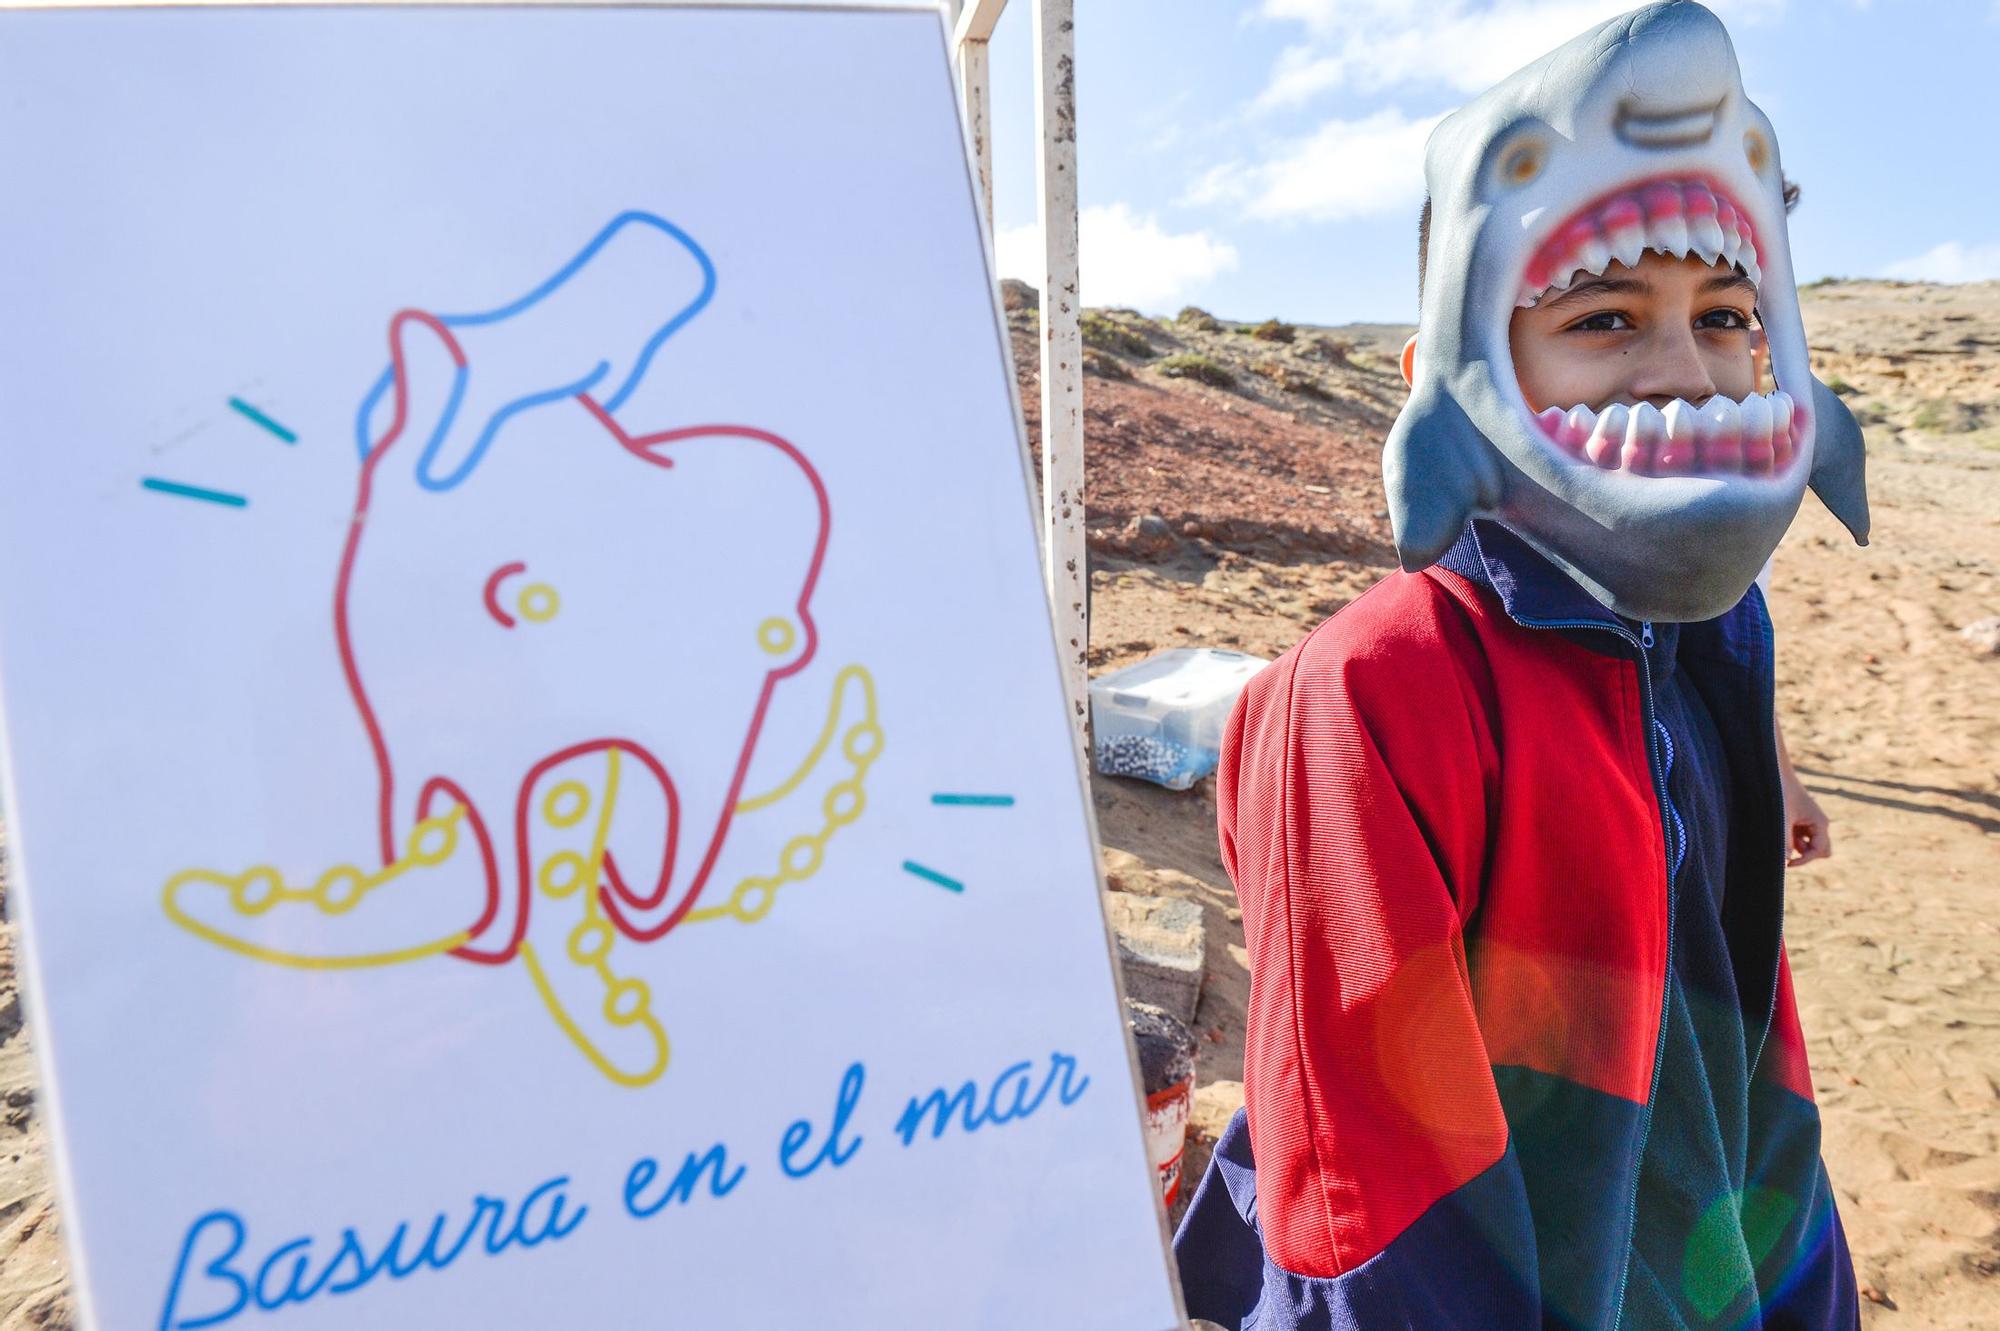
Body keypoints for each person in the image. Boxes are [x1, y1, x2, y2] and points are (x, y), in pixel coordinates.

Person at [1171, 4, 1870, 1327]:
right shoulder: (1377, 689)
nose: (1686, 369)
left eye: (1727, 315)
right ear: (1452, 367)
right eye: (1604, 319)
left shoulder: (1708, 640)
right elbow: (1369, 1187)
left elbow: (1747, 1058)